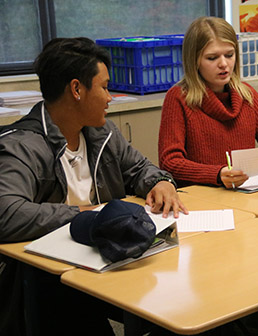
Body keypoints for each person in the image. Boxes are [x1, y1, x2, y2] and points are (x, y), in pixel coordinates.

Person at [0, 37, 187, 335]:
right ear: (76, 89)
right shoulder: (22, 146)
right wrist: (84, 215)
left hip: (107, 264)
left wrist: (161, 182)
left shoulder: (102, 133)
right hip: (50, 284)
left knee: (177, 303)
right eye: (104, 87)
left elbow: (140, 168)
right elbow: (7, 214)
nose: (110, 97)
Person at [158, 16, 258, 188]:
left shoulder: (246, 94)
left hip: (242, 194)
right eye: (212, 58)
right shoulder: (179, 98)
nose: (224, 64)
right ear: (194, 61)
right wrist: (217, 174)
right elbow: (170, 162)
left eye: (229, 55)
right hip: (200, 197)